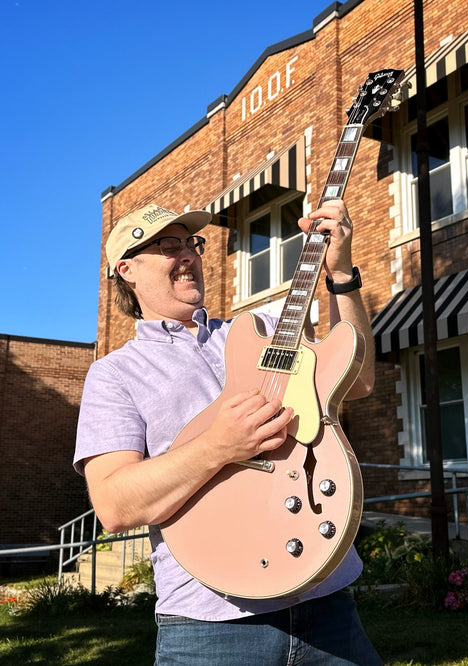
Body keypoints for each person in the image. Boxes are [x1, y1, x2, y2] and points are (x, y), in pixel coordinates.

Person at [74, 200, 382, 665]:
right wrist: (219, 446)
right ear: (127, 270)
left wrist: (341, 274)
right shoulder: (115, 374)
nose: (188, 254)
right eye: (167, 245)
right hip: (211, 626)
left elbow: (357, 381)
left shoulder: (262, 331)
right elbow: (116, 506)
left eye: (191, 244)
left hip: (328, 604)